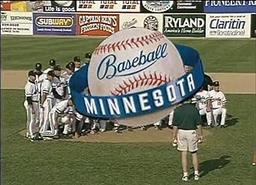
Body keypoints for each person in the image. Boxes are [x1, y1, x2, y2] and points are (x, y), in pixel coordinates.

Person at [172, 100, 203, 181]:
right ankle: (196, 174)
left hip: (181, 132)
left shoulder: (177, 109)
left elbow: (175, 125)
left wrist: (174, 137)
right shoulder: (194, 109)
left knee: (184, 154)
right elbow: (199, 124)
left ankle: (185, 175)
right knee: (194, 153)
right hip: (191, 132)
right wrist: (200, 135)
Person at [24, 70, 40, 141]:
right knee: (31, 119)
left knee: (36, 119)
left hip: (36, 102)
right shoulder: (28, 86)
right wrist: (32, 108)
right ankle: (31, 134)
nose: (35, 77)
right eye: (33, 75)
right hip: (31, 103)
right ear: (30, 76)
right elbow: (29, 98)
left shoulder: (34, 83)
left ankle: (32, 132)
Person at [39, 70, 55, 138]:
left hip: (47, 100)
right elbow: (44, 94)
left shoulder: (46, 81)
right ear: (48, 75)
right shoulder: (47, 83)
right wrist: (42, 103)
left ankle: (43, 131)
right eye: (51, 76)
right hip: (47, 100)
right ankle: (43, 132)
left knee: (47, 116)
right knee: (47, 117)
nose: (52, 77)